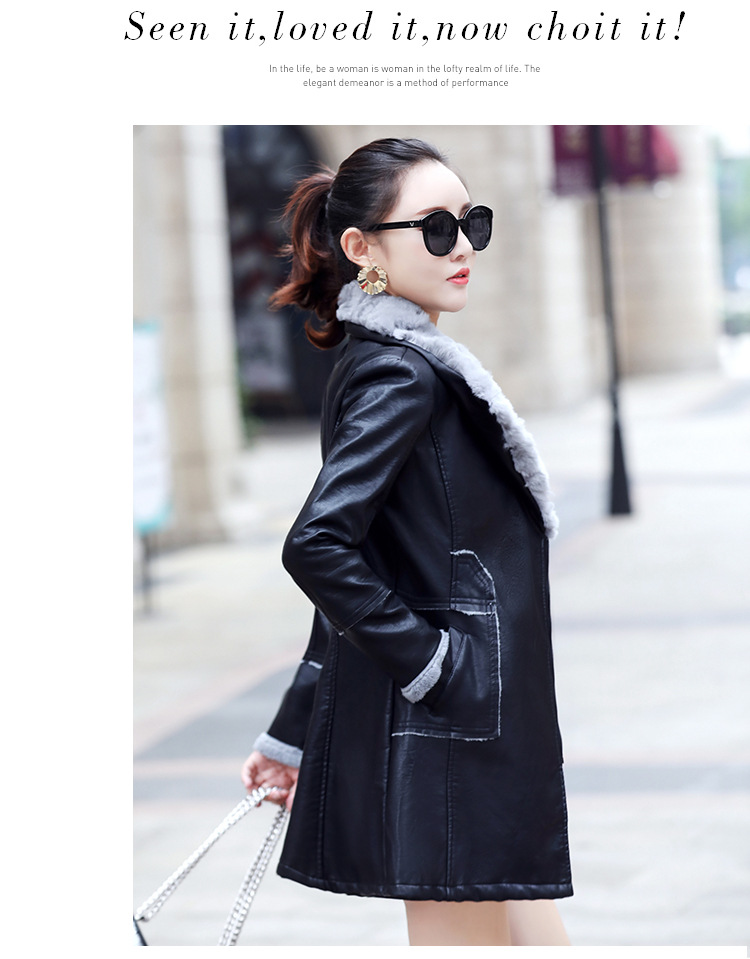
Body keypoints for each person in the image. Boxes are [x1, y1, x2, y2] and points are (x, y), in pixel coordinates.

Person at [241, 137, 572, 946]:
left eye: (470, 223)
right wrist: (436, 665)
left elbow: (369, 557)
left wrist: (293, 727)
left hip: (473, 721)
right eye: (434, 228)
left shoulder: (399, 364)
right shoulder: (400, 374)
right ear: (362, 248)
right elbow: (319, 544)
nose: (461, 247)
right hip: (452, 725)